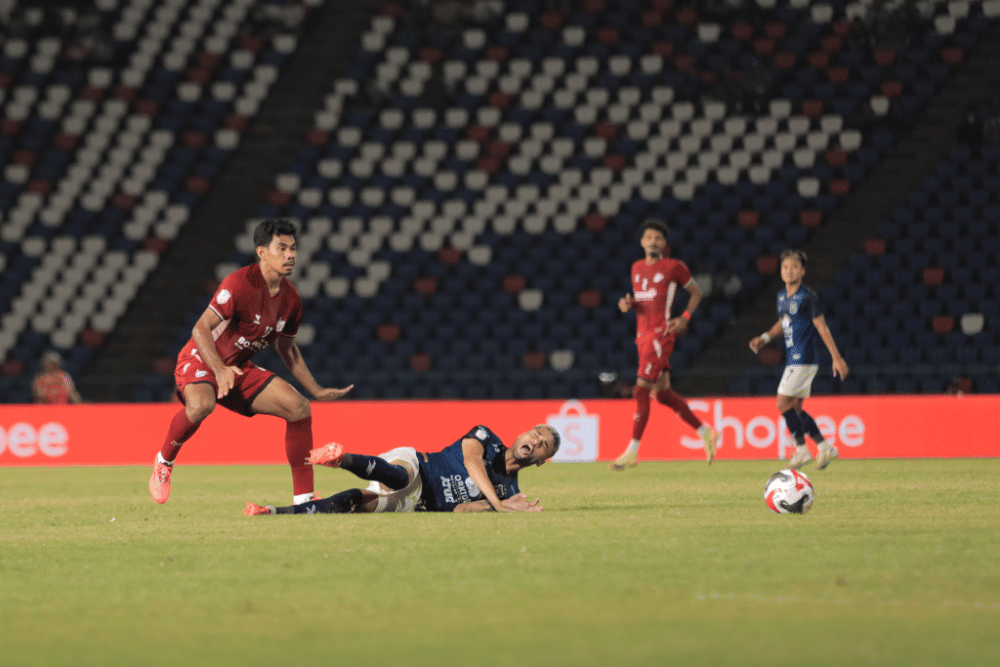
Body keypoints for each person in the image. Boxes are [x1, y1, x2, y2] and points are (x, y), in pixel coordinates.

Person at [149, 219, 353, 505]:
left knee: (299, 408)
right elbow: (200, 329)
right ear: (262, 252)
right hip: (202, 358)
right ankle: (164, 461)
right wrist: (219, 370)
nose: (290, 255)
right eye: (281, 248)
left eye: (293, 248)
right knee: (201, 405)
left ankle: (304, 500)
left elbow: (288, 350)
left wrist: (316, 390)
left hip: (238, 369)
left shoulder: (291, 298)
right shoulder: (239, 283)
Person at [244, 423, 559, 515]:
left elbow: (462, 510)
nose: (536, 440)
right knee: (399, 476)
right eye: (535, 433)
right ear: (522, 434)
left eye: (543, 443)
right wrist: (498, 504)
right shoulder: (485, 437)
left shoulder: (509, 492)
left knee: (357, 502)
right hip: (415, 463)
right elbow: (471, 462)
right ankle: (341, 459)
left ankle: (272, 512)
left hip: (416, 503)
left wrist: (494, 507)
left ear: (542, 460)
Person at [609, 219, 719, 471]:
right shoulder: (636, 268)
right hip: (642, 336)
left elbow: (697, 292)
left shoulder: (674, 267)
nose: (653, 242)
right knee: (664, 394)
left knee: (640, 391)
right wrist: (629, 304)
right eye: (649, 237)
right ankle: (706, 433)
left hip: (660, 335)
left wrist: (685, 318)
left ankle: (632, 451)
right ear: (642, 242)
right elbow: (643, 300)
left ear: (664, 243)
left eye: (658, 238)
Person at [749, 249, 849, 470]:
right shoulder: (781, 297)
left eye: (794, 267)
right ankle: (824, 447)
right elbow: (782, 322)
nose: (789, 270)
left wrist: (836, 357)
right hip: (794, 359)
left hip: (803, 358)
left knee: (781, 402)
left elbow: (821, 326)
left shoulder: (807, 296)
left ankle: (802, 450)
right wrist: (764, 338)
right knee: (794, 408)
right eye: (785, 267)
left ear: (802, 271)